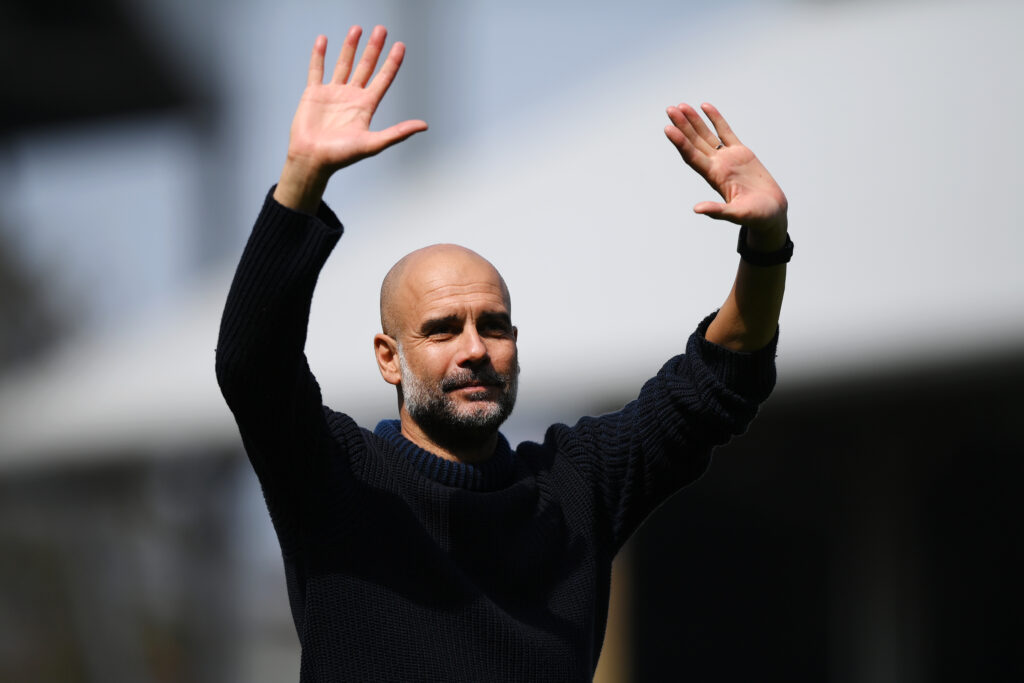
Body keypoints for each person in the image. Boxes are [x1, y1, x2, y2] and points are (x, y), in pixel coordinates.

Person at [216, 24, 790, 682]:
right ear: (387, 357)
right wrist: (302, 179)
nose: (473, 349)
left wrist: (767, 242)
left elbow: (721, 379)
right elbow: (251, 366)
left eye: (493, 325)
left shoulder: (577, 488)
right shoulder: (336, 481)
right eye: (441, 329)